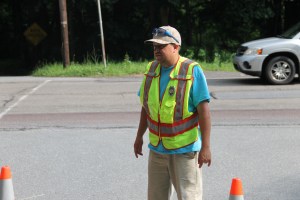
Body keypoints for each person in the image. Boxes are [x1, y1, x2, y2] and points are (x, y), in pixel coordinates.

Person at [134, 25, 212, 200]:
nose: (156, 50)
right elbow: (146, 107)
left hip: (184, 151)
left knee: (189, 197)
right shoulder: (151, 69)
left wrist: (206, 147)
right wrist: (139, 136)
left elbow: (204, 112)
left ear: (176, 47)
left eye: (161, 46)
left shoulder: (191, 71)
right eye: (154, 46)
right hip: (157, 150)